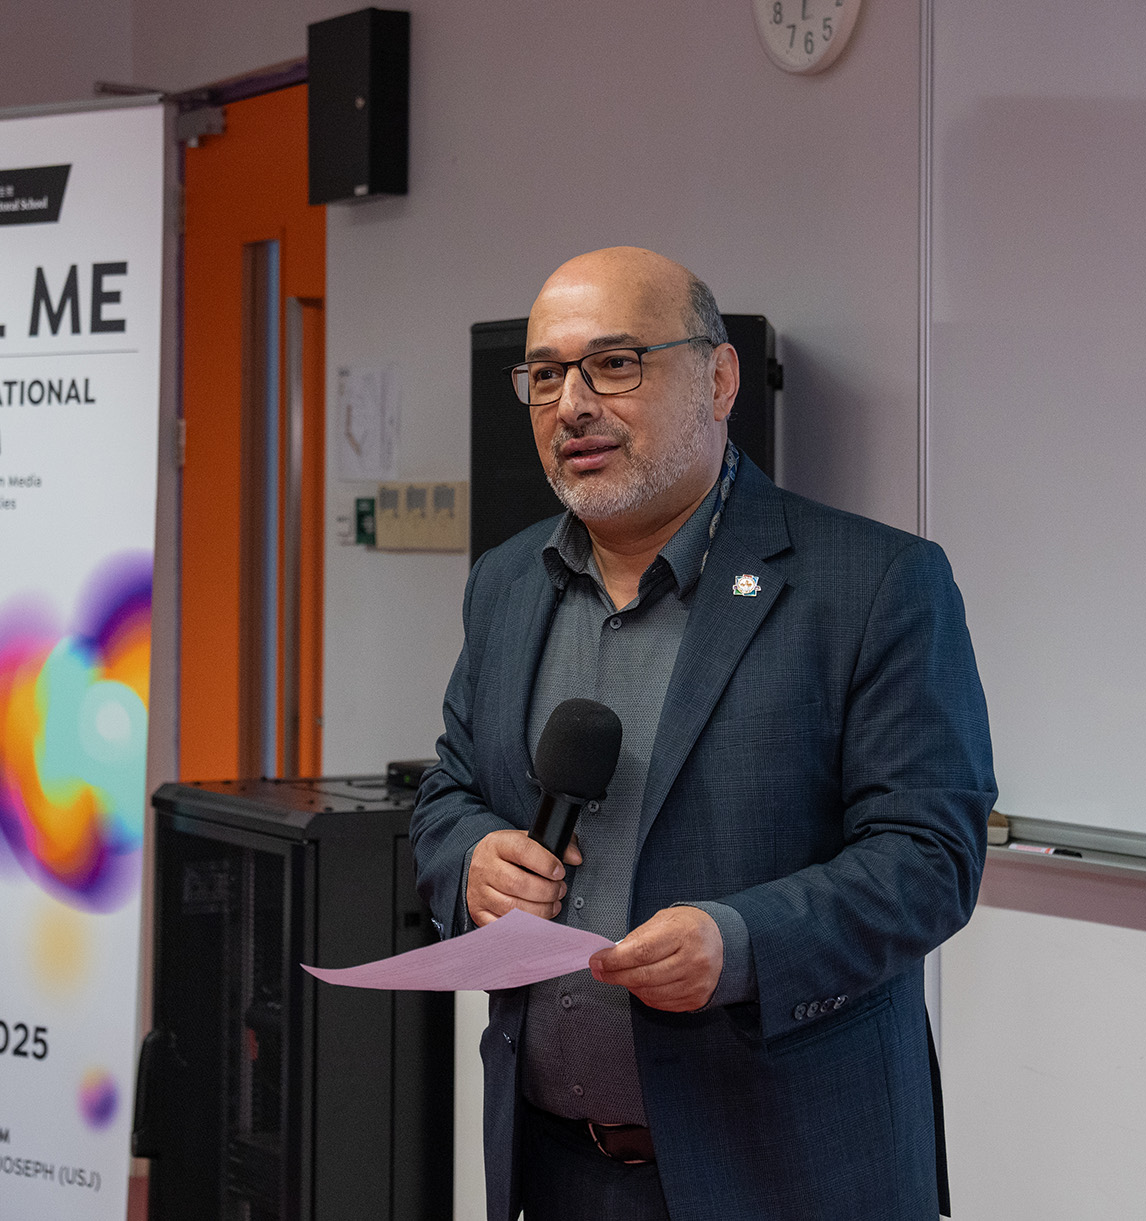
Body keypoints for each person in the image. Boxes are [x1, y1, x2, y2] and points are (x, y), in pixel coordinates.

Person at [410, 246, 996, 1221]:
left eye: (614, 364)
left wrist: (741, 943)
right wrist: (472, 859)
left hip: (786, 1172)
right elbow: (449, 792)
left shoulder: (873, 584)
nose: (571, 404)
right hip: (554, 1167)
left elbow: (929, 858)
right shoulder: (506, 582)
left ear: (719, 379)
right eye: (545, 375)